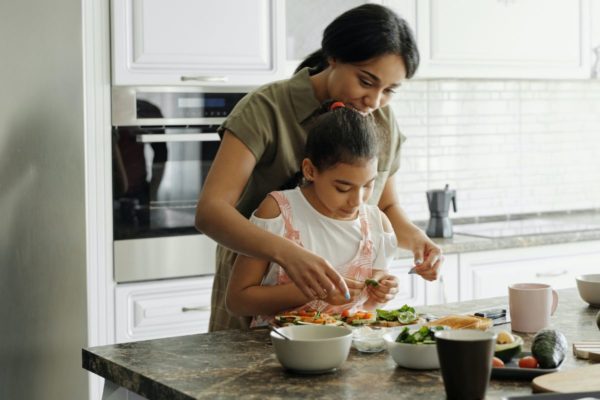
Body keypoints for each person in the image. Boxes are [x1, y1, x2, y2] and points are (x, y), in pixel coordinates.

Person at [196, 4, 443, 332]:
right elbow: (211, 211)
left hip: (338, 320)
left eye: (389, 91)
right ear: (334, 57)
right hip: (257, 302)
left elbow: (384, 206)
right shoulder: (266, 108)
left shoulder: (381, 120)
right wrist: (288, 254)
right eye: (366, 81)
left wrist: (417, 241)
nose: (375, 100)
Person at [226, 102, 399, 324]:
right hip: (278, 350)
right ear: (310, 170)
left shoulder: (377, 224)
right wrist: (314, 290)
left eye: (368, 185)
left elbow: (368, 309)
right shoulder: (278, 212)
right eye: (343, 188)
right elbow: (237, 301)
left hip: (348, 351)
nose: (357, 200)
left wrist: (382, 292)